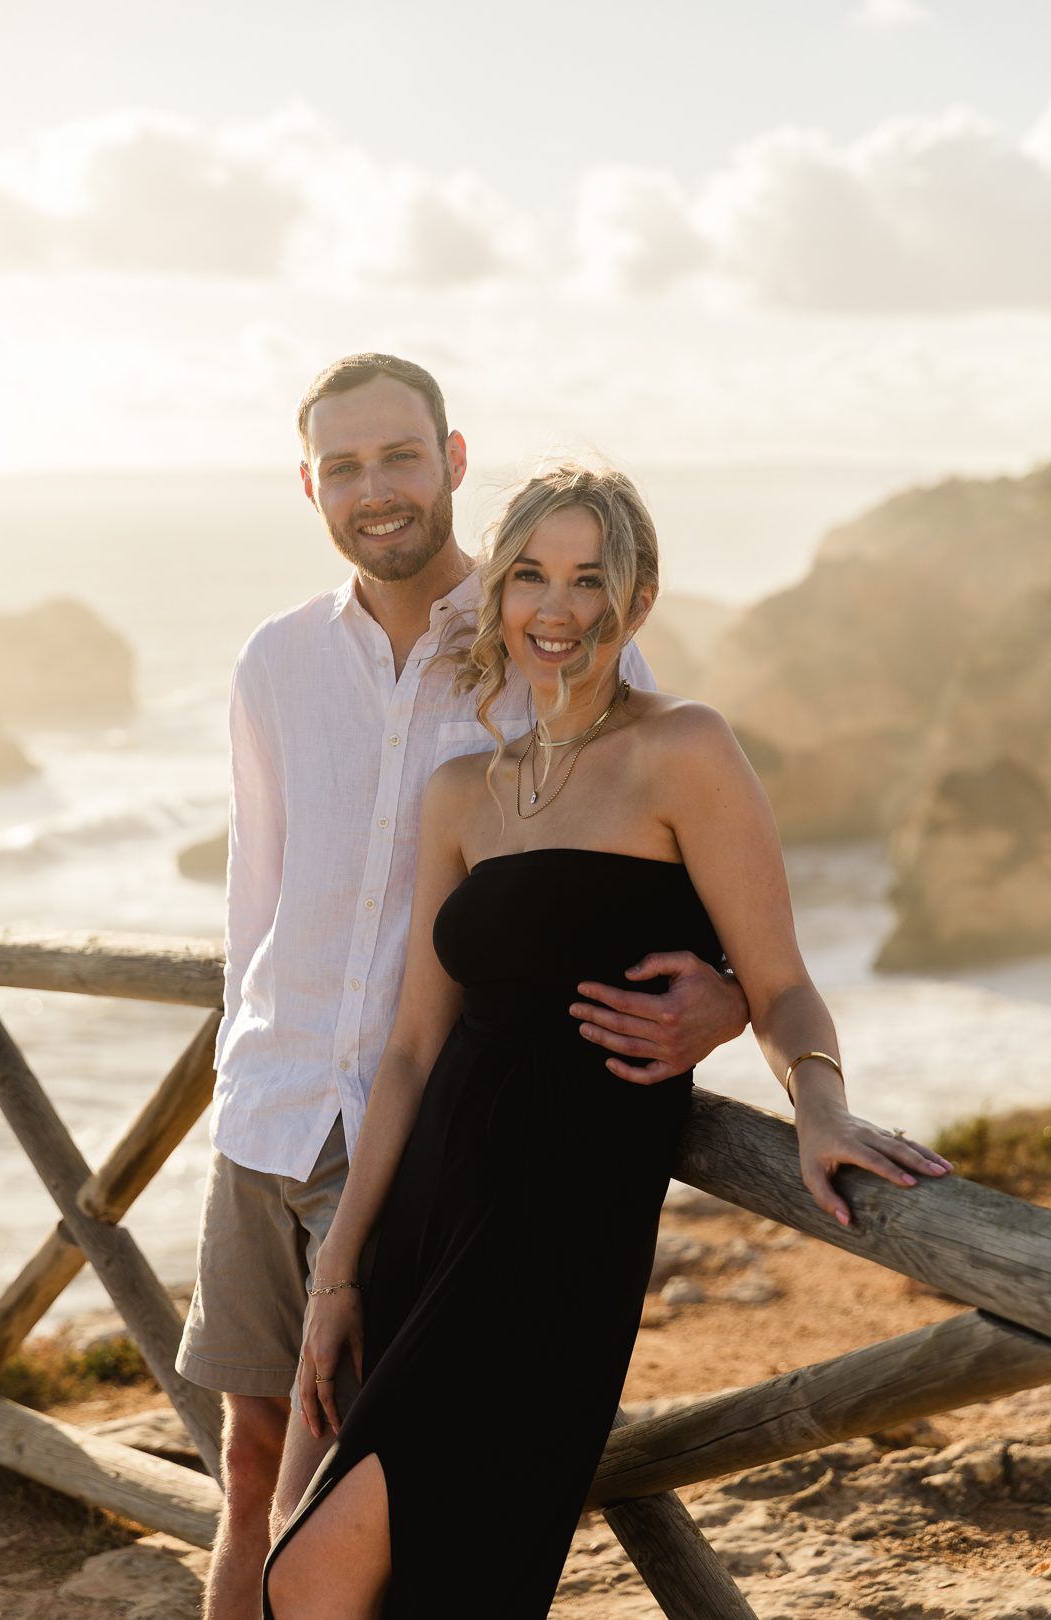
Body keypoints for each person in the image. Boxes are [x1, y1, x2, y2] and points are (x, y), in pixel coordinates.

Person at [262, 462, 954, 1619]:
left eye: (593, 578)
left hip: (552, 1229)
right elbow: (411, 1055)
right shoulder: (461, 792)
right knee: (317, 1564)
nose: (558, 606)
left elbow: (779, 984)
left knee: (334, 1575)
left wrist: (820, 1106)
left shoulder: (683, 749)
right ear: (498, 597)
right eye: (530, 573)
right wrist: (337, 1275)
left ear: (634, 603)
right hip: (424, 1221)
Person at [176, 355, 750, 1620]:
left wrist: (727, 991)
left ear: (454, 460)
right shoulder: (274, 662)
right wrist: (236, 1081)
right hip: (267, 1112)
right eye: (342, 466)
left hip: (419, 1137)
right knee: (251, 1459)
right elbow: (254, 897)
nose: (373, 490)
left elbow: (657, 835)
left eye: (399, 457)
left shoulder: (542, 640)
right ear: (309, 483)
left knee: (330, 1510)